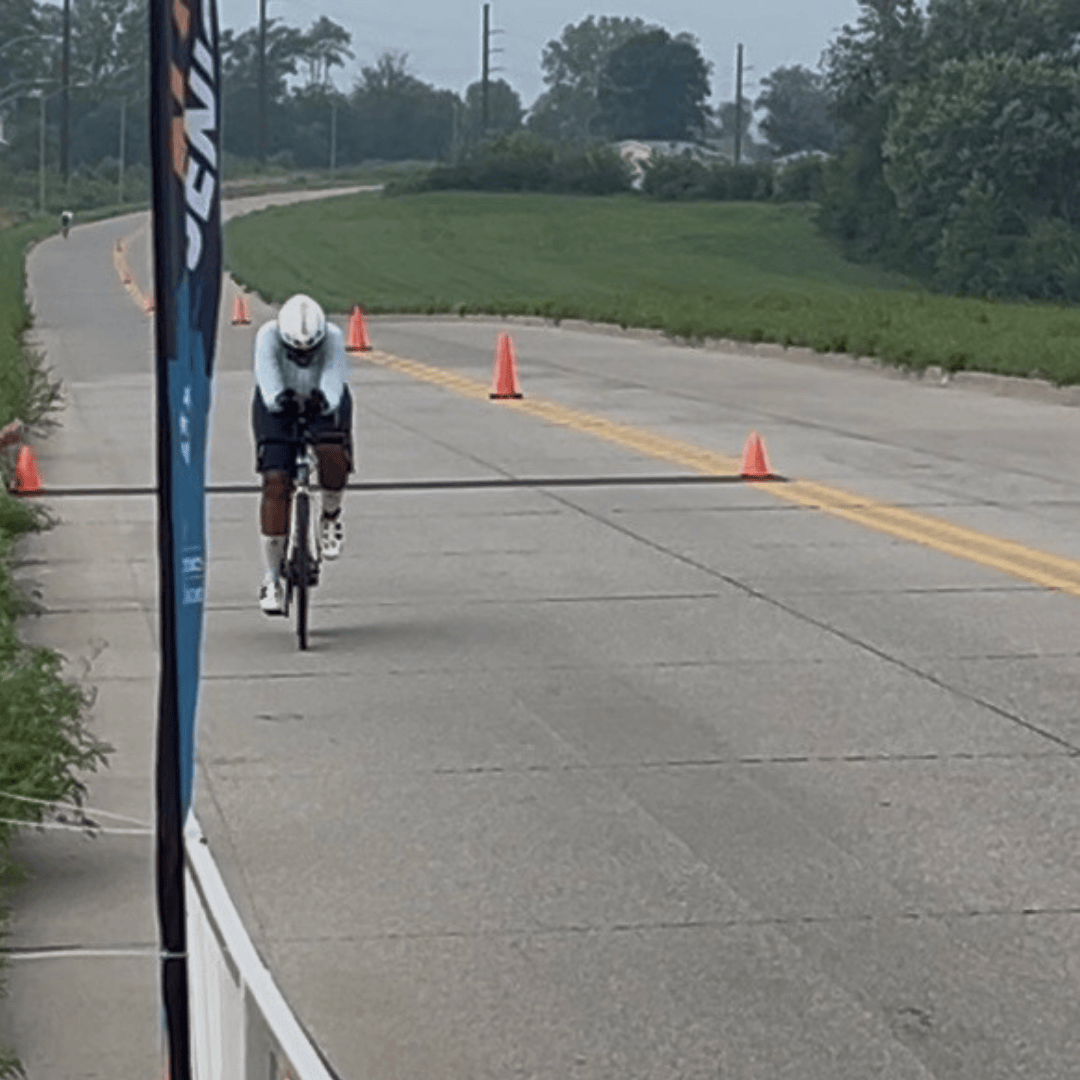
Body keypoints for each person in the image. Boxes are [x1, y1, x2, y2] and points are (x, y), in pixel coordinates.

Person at [251, 293, 353, 615]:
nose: (305, 356)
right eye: (297, 351)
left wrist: (324, 400)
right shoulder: (268, 336)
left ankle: (331, 516)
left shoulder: (332, 338)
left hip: (323, 400)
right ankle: (272, 577)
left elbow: (334, 380)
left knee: (332, 451)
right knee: (276, 484)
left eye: (311, 350)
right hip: (278, 402)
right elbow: (266, 379)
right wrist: (279, 400)